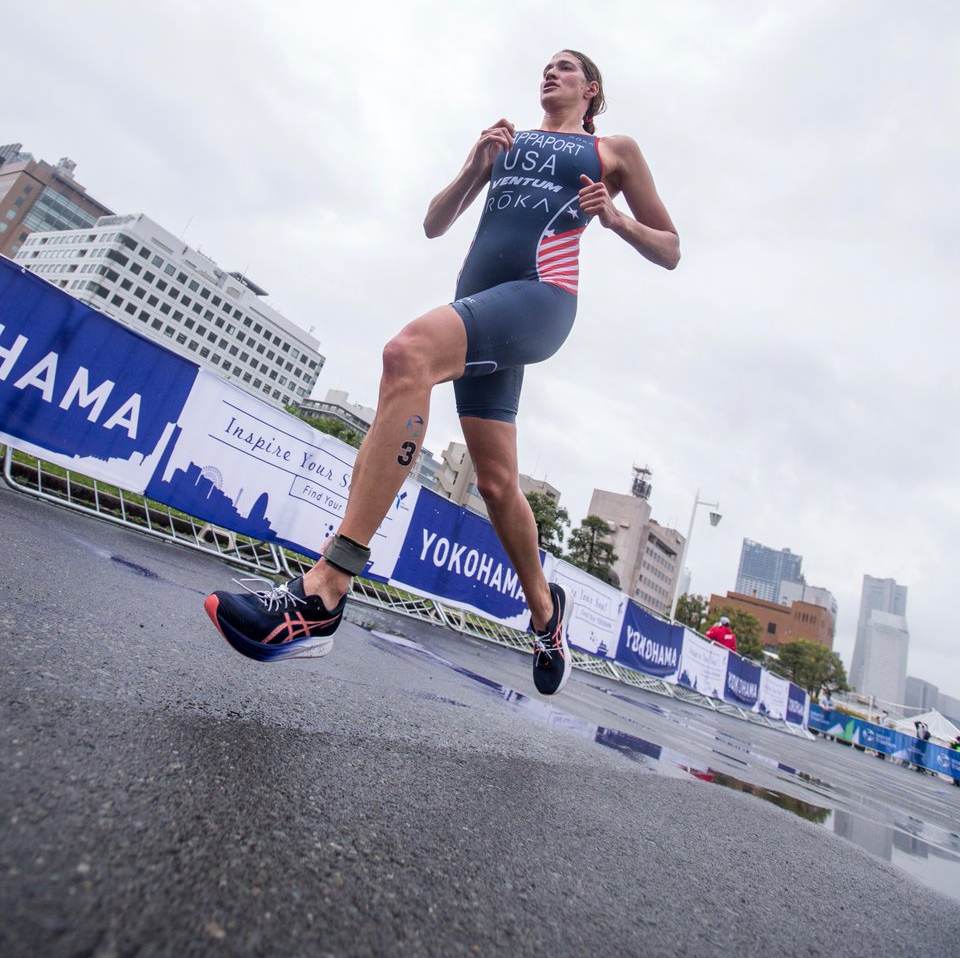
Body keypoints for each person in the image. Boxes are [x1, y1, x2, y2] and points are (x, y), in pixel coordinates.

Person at [204, 50, 680, 695]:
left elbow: (671, 248)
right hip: (480, 302)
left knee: (408, 354)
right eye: (545, 65)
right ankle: (546, 614)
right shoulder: (506, 142)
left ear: (591, 90)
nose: (550, 73)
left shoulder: (613, 150)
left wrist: (617, 220)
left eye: (566, 68)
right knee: (495, 482)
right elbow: (434, 224)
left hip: (541, 300)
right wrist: (474, 166)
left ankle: (326, 588)